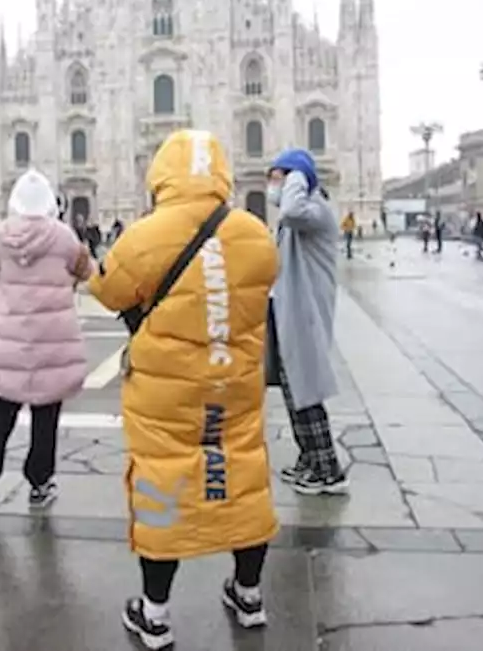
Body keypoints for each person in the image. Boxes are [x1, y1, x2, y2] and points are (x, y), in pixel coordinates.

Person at [89, 129, 278, 649]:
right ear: (220, 172)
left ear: (163, 174)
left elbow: (106, 290)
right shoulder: (255, 233)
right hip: (230, 385)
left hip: (165, 393)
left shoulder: (146, 234)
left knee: (164, 480)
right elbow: (261, 282)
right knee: (240, 476)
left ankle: (155, 615)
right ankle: (249, 594)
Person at [0, 169, 93, 511]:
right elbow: (86, 270)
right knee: (45, 414)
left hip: (7, 340)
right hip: (51, 340)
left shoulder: (0, 235)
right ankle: (39, 484)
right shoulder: (64, 236)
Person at [264, 148, 349, 495]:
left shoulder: (315, 211)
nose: (271, 186)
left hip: (306, 313)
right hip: (290, 310)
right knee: (292, 390)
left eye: (276, 178)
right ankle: (310, 458)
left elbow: (291, 209)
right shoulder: (296, 218)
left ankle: (328, 468)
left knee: (307, 390)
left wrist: (297, 175)